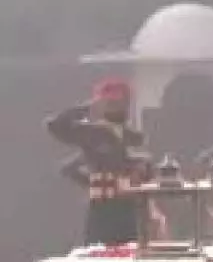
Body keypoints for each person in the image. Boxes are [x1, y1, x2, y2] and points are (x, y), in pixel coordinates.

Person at [46, 78, 161, 247]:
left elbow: (147, 174)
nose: (117, 106)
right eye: (111, 102)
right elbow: (56, 125)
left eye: (121, 102)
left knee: (131, 252)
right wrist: (88, 107)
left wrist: (152, 211)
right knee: (99, 253)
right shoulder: (91, 133)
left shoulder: (135, 137)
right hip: (103, 209)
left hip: (131, 208)